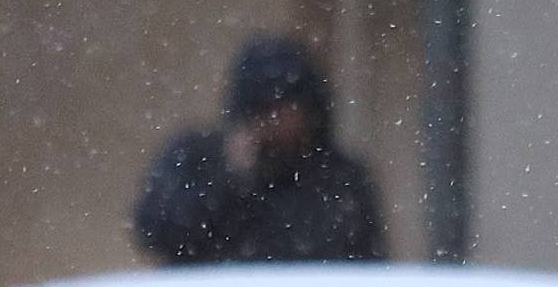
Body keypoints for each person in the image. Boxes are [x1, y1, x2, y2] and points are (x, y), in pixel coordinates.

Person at [134, 35, 386, 267]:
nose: (277, 122)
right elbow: (156, 232)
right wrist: (229, 176)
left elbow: (364, 267)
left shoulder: (340, 179)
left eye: (288, 109)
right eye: (267, 110)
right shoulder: (195, 157)